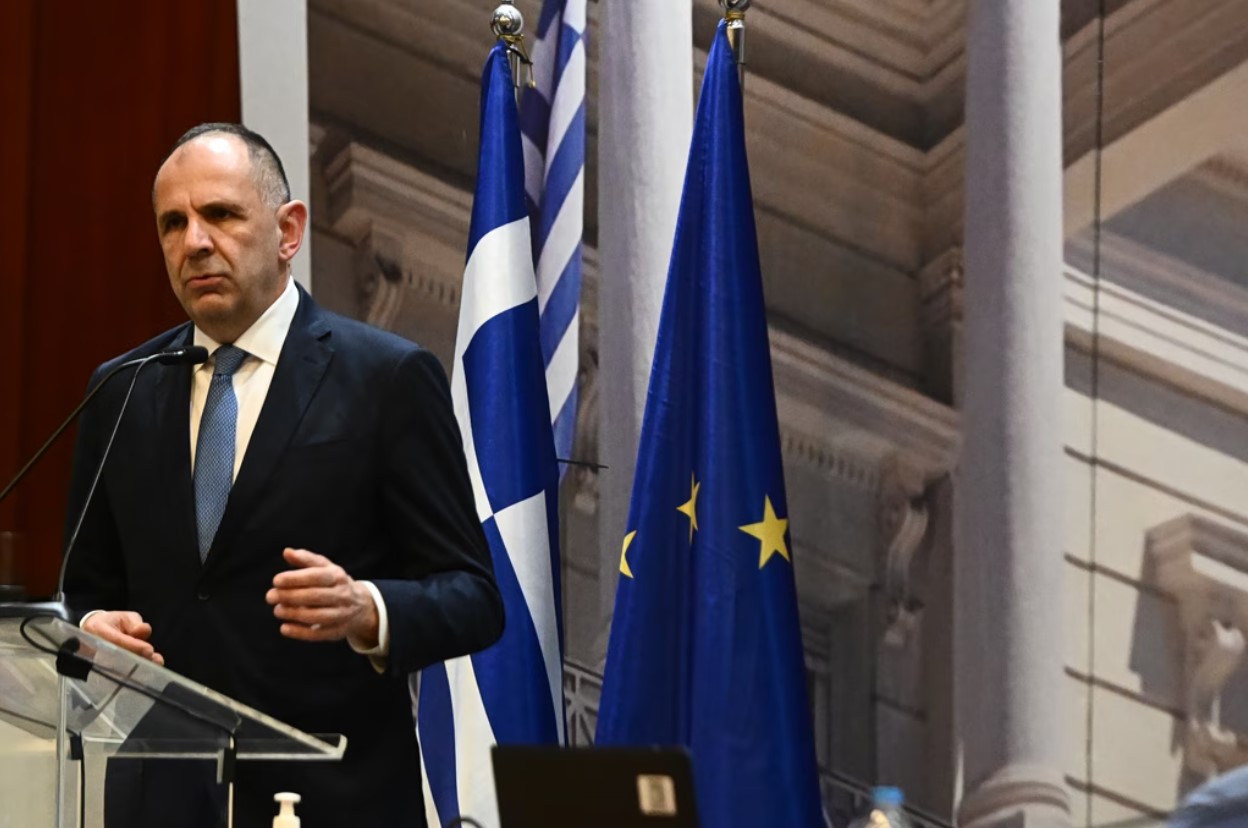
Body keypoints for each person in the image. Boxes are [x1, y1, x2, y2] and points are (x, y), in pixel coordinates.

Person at [62, 122, 504, 827]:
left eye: (221, 214)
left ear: (288, 230)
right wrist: (91, 626)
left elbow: (473, 596)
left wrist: (367, 608)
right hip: (161, 801)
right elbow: (86, 588)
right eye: (173, 223)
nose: (194, 242)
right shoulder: (122, 389)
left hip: (330, 798)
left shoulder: (387, 379)